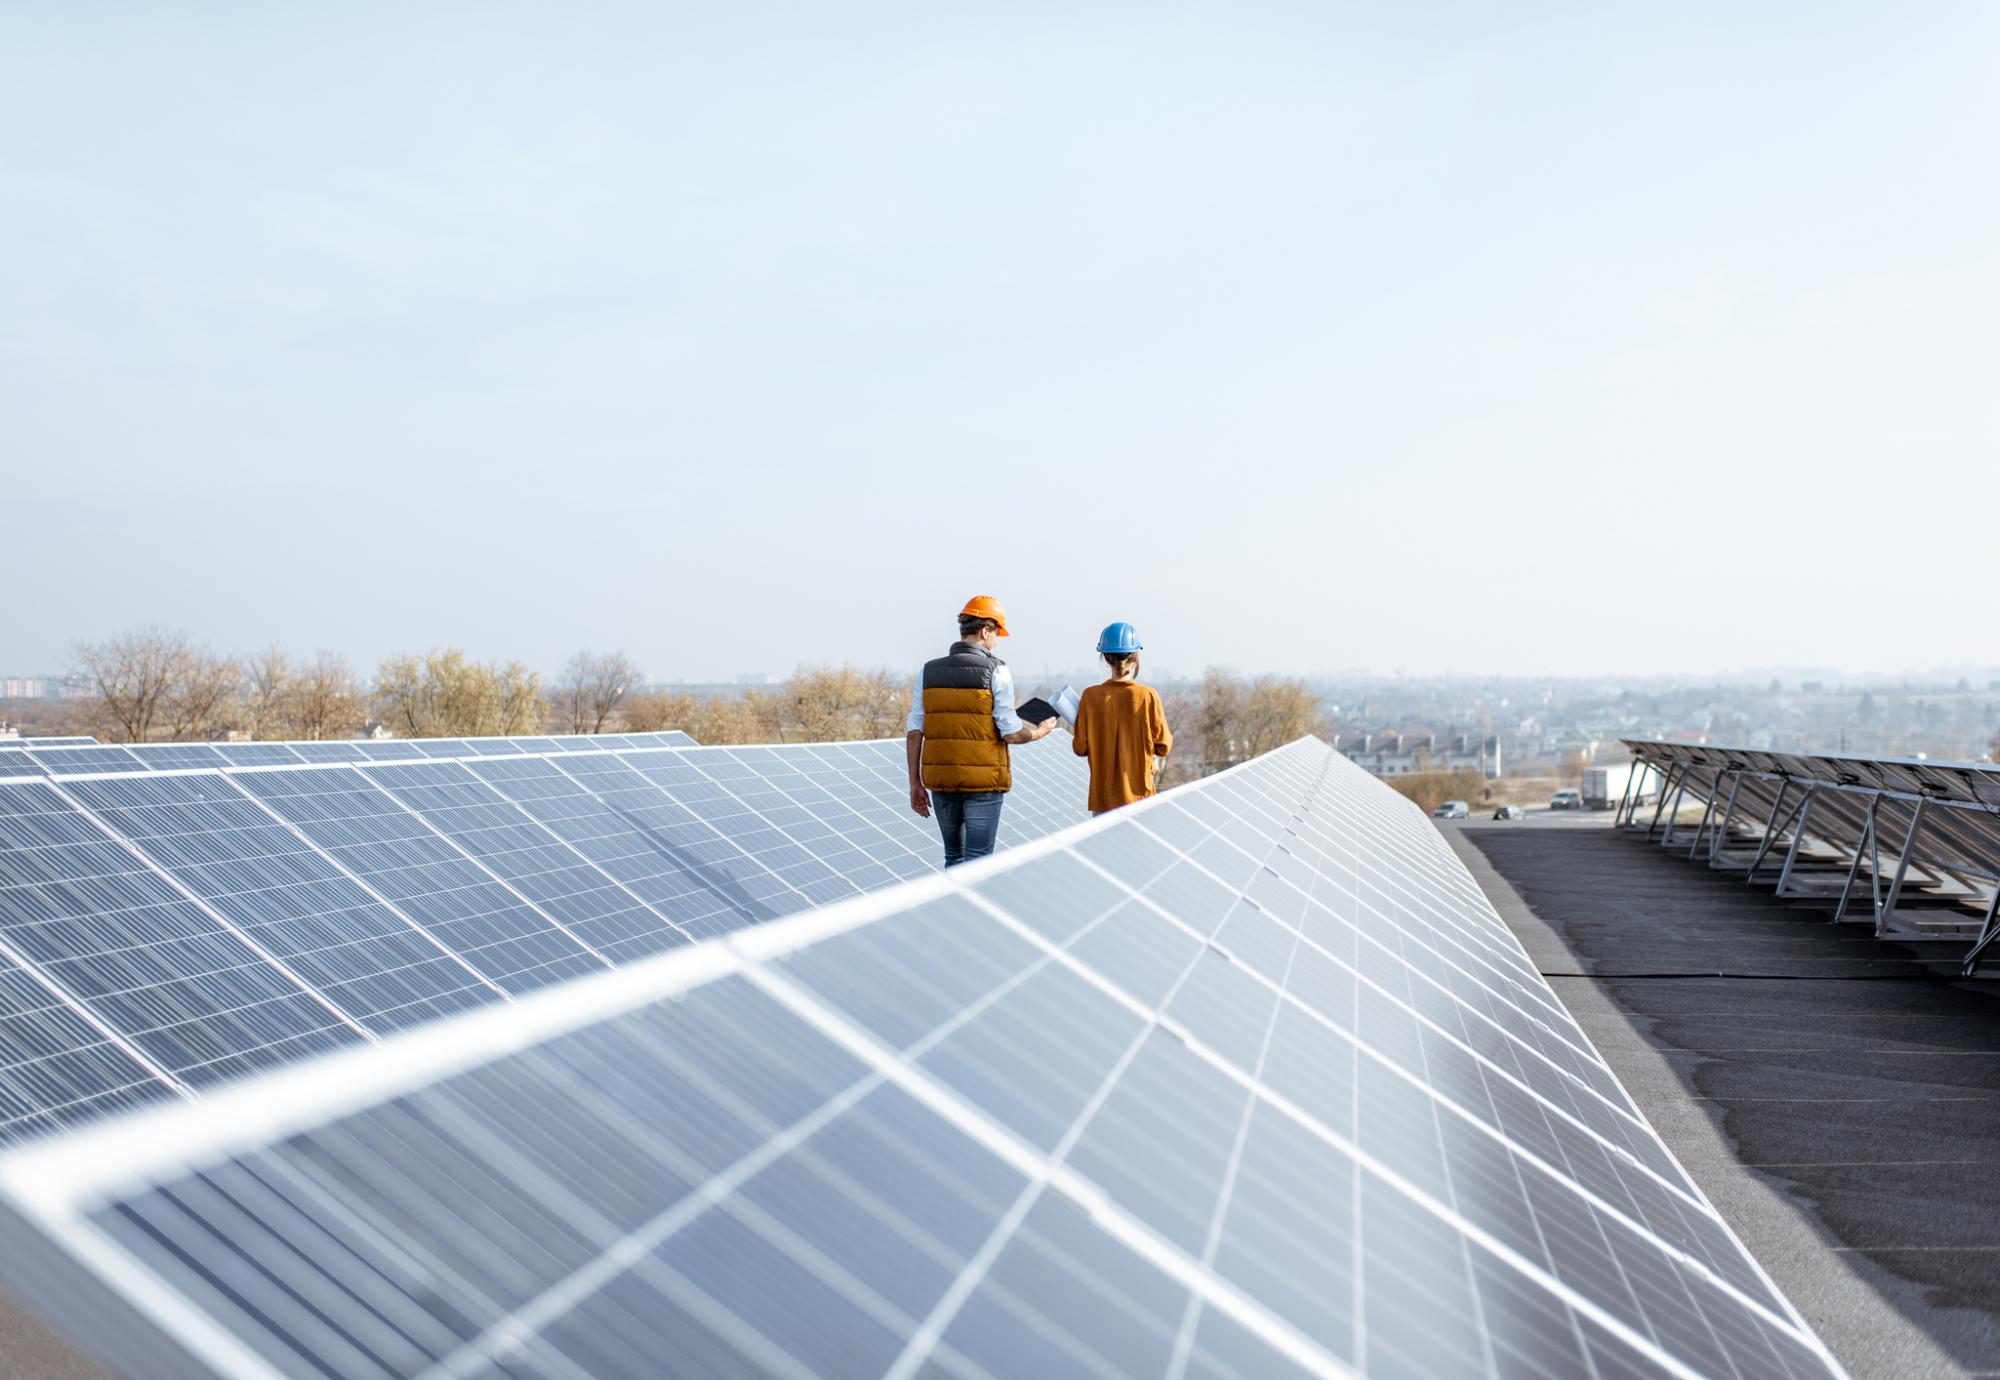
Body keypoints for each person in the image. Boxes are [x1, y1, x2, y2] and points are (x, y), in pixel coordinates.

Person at [905, 595, 1061, 866]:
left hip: (942, 781)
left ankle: (952, 909)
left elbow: (914, 731)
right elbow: (1010, 732)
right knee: (979, 864)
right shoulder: (996, 670)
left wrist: (914, 783)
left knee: (953, 858)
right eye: (997, 633)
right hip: (983, 784)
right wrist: (1040, 732)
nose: (997, 641)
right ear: (984, 629)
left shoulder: (928, 672)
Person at [1072, 621, 1173, 815]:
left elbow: (1080, 748)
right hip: (1139, 798)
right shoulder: (1148, 696)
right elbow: (1164, 746)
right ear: (1136, 656)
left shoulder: (1090, 696)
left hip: (1103, 800)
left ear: (1105, 657)